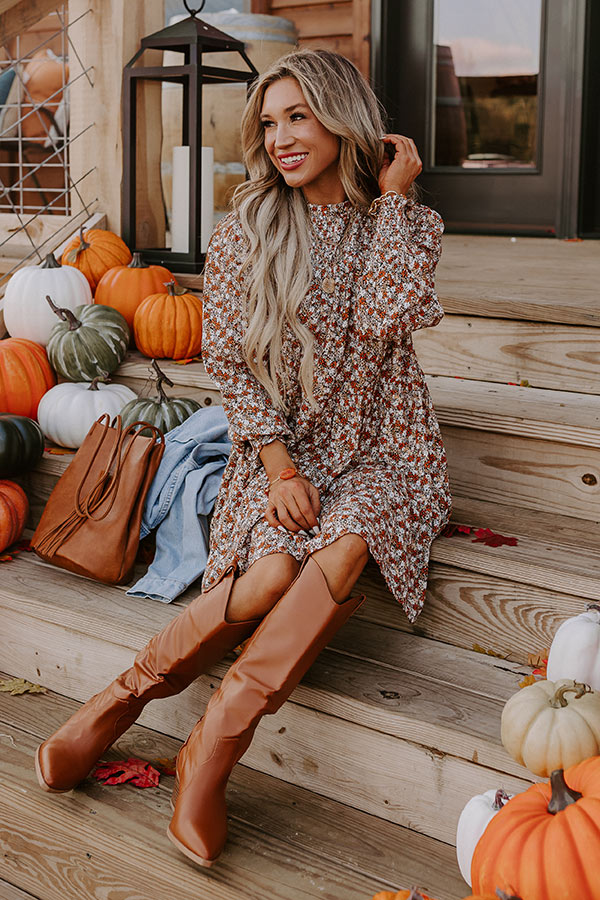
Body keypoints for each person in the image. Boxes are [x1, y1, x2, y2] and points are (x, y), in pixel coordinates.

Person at [34, 48, 451, 868]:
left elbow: (384, 319)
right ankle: (118, 702)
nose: (282, 137)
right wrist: (281, 468)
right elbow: (227, 362)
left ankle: (212, 751)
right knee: (266, 578)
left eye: (299, 116)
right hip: (281, 447)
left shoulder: (404, 223)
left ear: (343, 119)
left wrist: (395, 201)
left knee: (349, 539)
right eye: (269, 122)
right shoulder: (247, 230)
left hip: (384, 445)